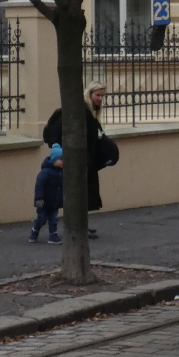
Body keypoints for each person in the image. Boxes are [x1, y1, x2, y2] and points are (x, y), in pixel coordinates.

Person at [43, 82, 118, 238]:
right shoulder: (80, 111)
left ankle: (81, 225)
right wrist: (59, 155)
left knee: (83, 193)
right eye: (97, 95)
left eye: (102, 96)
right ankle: (76, 227)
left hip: (85, 159)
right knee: (77, 193)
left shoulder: (89, 111)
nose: (100, 99)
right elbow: (57, 133)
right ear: (89, 94)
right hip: (77, 159)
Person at [30, 143, 64, 245]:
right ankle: (35, 231)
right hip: (44, 201)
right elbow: (39, 185)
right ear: (54, 160)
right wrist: (39, 198)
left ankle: (53, 236)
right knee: (42, 219)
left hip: (55, 201)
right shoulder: (46, 172)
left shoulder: (62, 172)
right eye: (61, 159)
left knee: (53, 219)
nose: (63, 162)